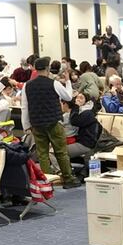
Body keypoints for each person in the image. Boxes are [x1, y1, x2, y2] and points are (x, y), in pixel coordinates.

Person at [22, 57, 80, 189]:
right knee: (61, 151)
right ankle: (68, 178)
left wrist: (26, 126)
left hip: (36, 124)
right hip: (54, 122)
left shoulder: (27, 85)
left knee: (42, 154)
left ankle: (47, 182)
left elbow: (25, 107)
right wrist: (68, 82)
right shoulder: (54, 84)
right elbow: (68, 97)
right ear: (47, 69)